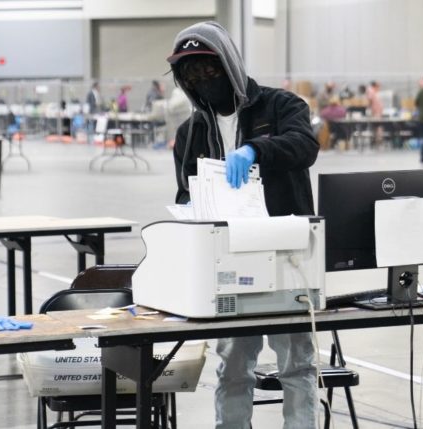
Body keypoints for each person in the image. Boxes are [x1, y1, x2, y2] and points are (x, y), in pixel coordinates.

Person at [167, 21, 319, 428]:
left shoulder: (282, 106)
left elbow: (305, 146)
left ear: (229, 65)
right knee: (233, 367)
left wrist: (256, 149)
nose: (204, 82)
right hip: (229, 264)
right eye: (193, 77)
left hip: (288, 258)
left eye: (210, 72)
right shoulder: (191, 133)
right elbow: (184, 193)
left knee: (298, 366)